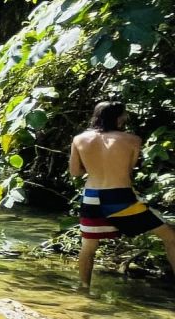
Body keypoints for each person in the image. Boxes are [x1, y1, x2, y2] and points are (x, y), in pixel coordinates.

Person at [69, 100, 175, 288]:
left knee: (88, 247)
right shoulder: (132, 140)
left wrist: (93, 165)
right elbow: (129, 168)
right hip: (120, 197)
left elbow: (75, 172)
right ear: (119, 117)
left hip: (92, 196)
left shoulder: (79, 139)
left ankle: (84, 290)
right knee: (170, 237)